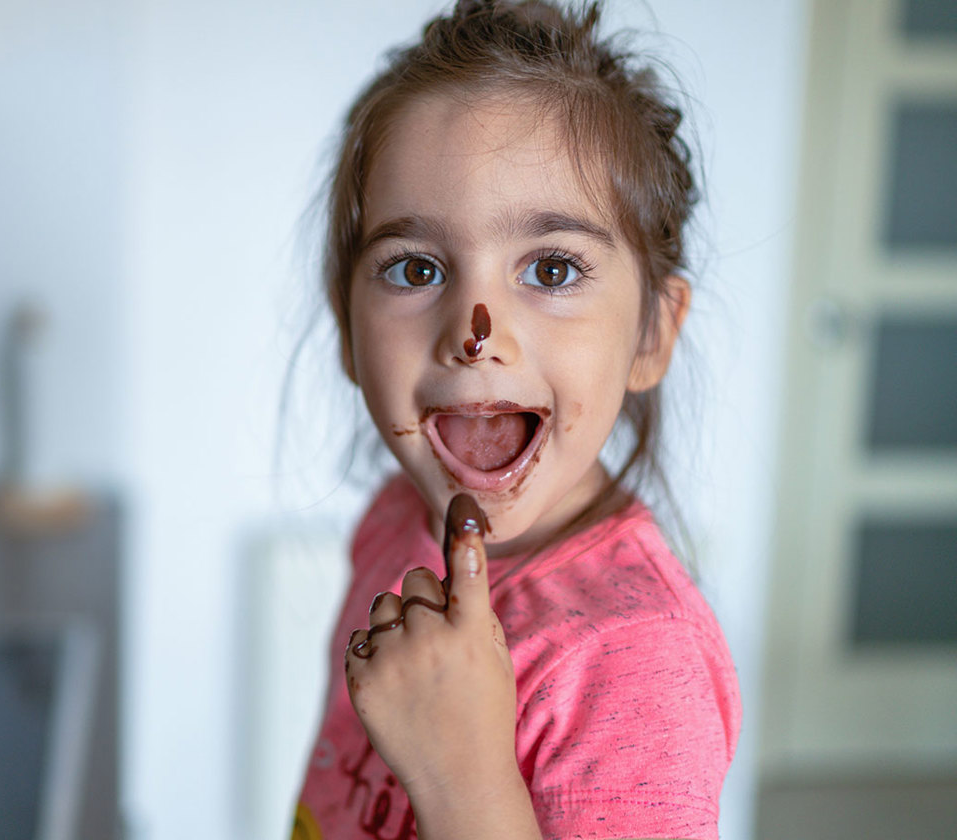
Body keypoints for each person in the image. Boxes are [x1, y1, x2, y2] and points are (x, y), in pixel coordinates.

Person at [290, 2, 742, 839]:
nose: (475, 331)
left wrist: (462, 780)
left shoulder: (633, 661)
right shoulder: (395, 521)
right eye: (417, 266)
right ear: (349, 332)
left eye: (553, 266)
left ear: (652, 333)